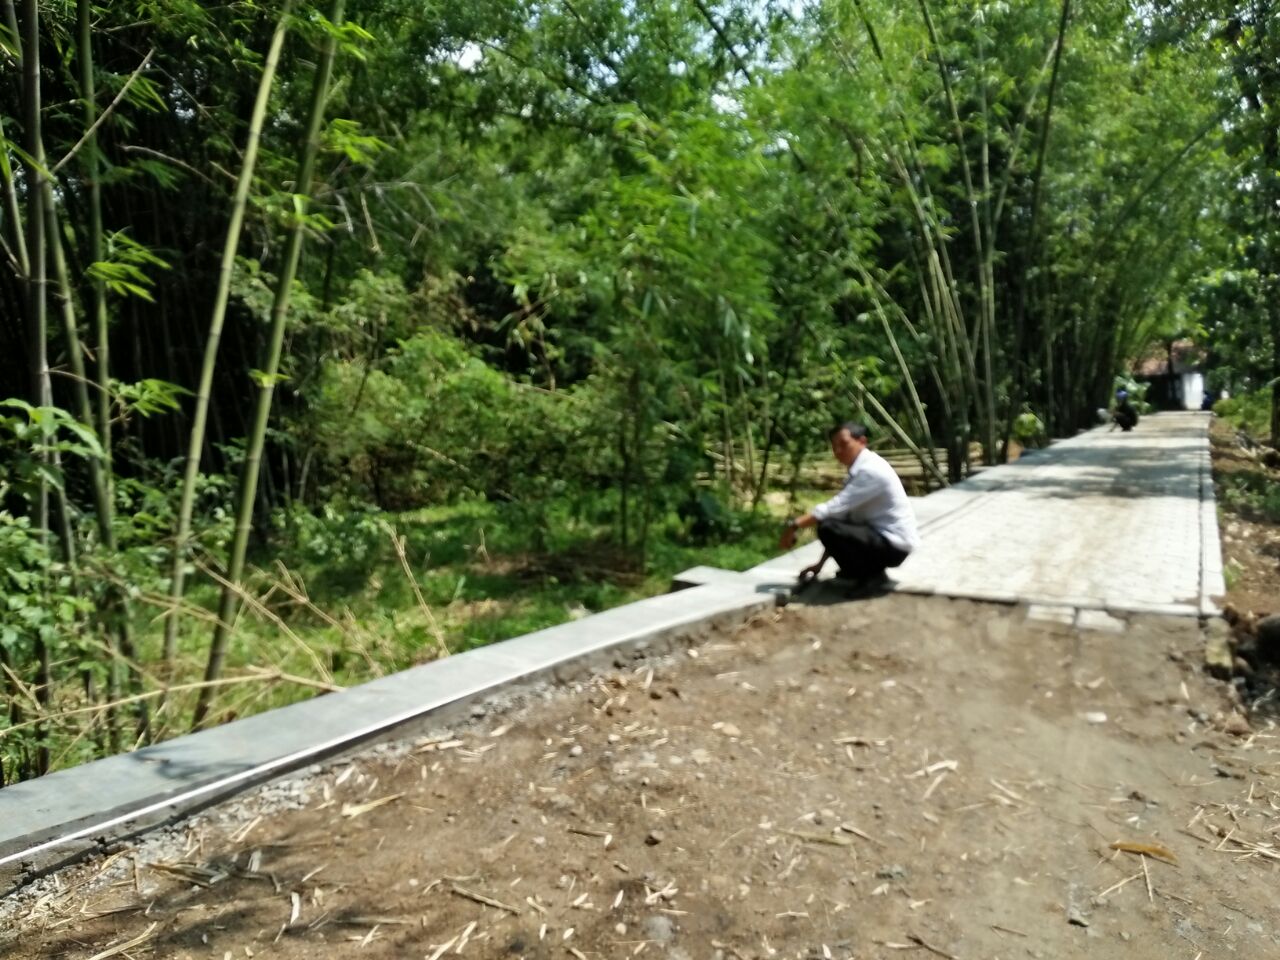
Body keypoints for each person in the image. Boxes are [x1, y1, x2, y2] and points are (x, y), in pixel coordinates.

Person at [778, 422, 920, 590]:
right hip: (883, 542)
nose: (838, 451)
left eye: (843, 444)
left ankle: (872, 576)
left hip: (893, 546)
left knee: (828, 526)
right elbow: (841, 517)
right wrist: (819, 565)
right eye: (834, 446)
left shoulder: (870, 471)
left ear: (862, 441)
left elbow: (831, 509)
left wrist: (794, 526)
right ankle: (859, 571)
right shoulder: (860, 469)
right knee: (830, 525)